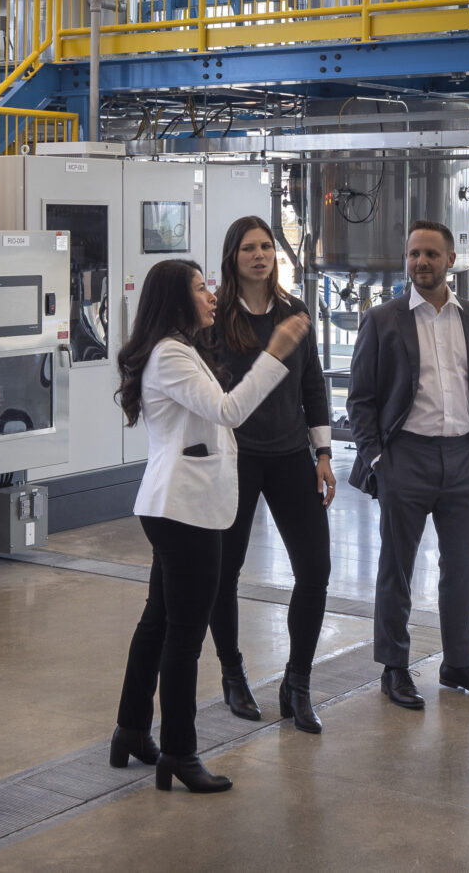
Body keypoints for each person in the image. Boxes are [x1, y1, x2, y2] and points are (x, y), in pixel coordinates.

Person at [111, 257, 310, 794]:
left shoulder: (182, 349)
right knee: (184, 636)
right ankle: (179, 752)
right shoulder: (170, 355)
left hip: (182, 505)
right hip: (184, 509)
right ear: (177, 300)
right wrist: (274, 353)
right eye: (201, 289)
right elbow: (229, 411)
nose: (212, 296)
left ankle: (132, 729)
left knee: (159, 623)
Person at [344, 219, 469, 710]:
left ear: (450, 261)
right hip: (406, 458)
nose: (421, 262)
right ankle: (394, 667)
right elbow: (361, 399)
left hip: (467, 459)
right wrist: (379, 458)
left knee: (460, 568)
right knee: (396, 569)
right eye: (414, 254)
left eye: (431, 254)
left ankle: (459, 663)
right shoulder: (383, 320)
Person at [202, 216, 334, 733]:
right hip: (236, 458)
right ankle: (232, 673)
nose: (260, 255)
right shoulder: (217, 319)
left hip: (290, 455)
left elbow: (313, 384)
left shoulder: (294, 313)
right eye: (248, 249)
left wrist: (323, 453)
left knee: (315, 569)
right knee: (224, 571)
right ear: (232, 257)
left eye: (266, 247)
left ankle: (297, 682)